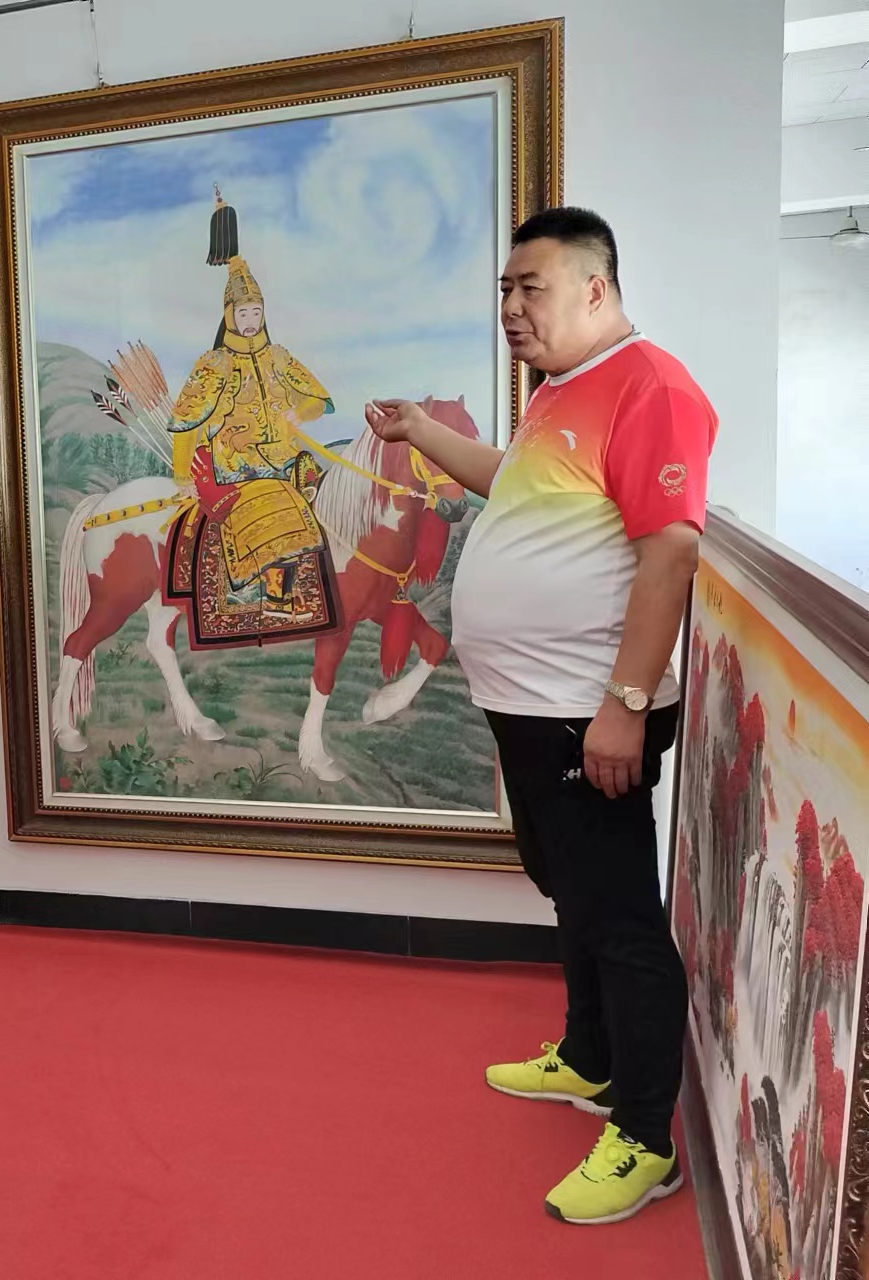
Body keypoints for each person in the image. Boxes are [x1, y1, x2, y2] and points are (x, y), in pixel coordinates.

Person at [365, 206, 715, 1225]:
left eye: (533, 288)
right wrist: (420, 432)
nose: (512, 308)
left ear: (595, 288)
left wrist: (624, 705)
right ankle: (589, 1054)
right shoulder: (559, 390)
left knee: (618, 915)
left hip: (583, 711)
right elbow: (514, 488)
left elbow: (670, 552)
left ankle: (644, 1136)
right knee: (567, 889)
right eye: (505, 291)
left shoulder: (650, 386)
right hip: (526, 703)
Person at [170, 191, 338, 627]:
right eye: (243, 313)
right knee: (274, 513)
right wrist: (182, 475)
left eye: (256, 312)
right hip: (236, 465)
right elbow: (186, 422)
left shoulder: (279, 357)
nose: (250, 320)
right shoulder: (214, 364)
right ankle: (275, 599)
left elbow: (317, 399)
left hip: (286, 458)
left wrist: (299, 414)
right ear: (229, 315)